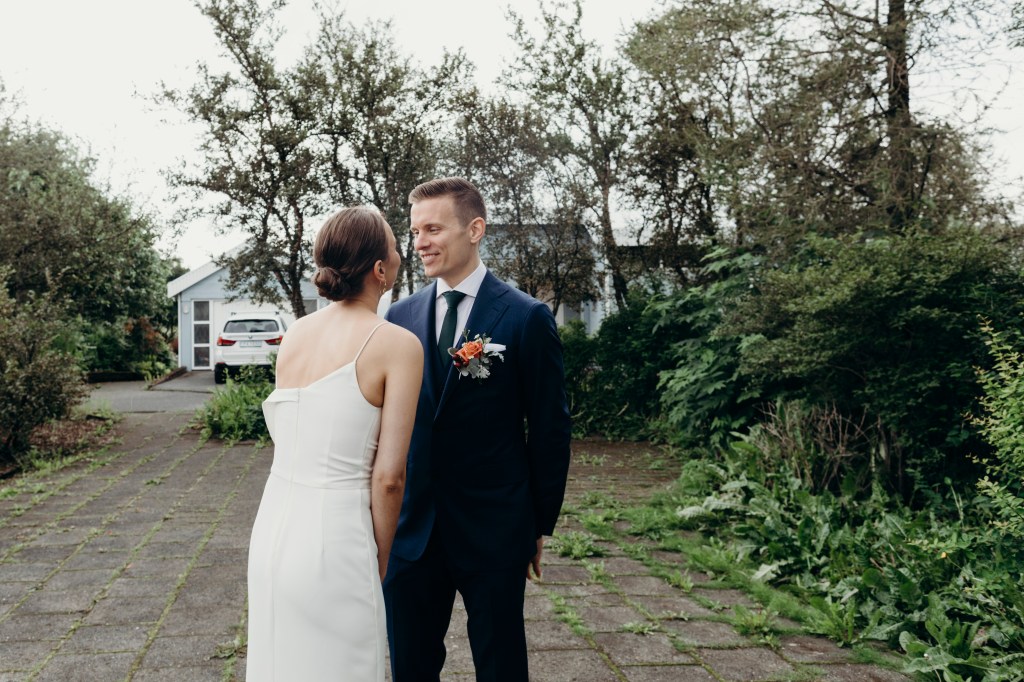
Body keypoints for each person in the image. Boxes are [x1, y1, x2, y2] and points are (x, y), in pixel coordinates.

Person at [383, 177, 572, 681]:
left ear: (475, 229)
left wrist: (538, 524)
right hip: (412, 533)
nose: (420, 243)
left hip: (494, 529)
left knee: (501, 667)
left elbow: (550, 429)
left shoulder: (526, 317)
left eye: (433, 229)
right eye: (415, 232)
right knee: (410, 669)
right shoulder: (399, 317)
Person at [246, 206, 423, 681]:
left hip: (273, 529)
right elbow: (390, 478)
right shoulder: (397, 345)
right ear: (380, 269)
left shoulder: (296, 334)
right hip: (337, 540)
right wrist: (380, 557)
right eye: (395, 246)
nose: (402, 254)